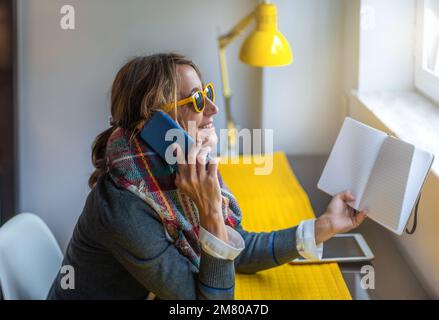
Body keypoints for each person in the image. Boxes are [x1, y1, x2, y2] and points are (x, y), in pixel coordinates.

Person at [47, 53, 367, 300]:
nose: (212, 109)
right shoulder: (125, 208)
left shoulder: (182, 168)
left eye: (207, 93)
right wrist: (211, 212)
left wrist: (324, 227)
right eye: (197, 100)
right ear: (154, 126)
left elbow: (236, 250)